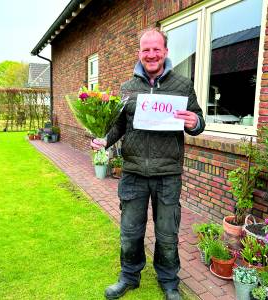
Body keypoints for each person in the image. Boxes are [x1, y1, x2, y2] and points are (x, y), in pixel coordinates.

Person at [91, 28, 205, 300]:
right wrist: (103, 140)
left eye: (156, 49)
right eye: (146, 50)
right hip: (133, 173)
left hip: (168, 174)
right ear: (139, 54)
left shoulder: (182, 85)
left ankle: (169, 283)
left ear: (165, 51)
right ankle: (129, 277)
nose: (151, 54)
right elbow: (119, 125)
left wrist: (195, 122)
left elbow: (198, 120)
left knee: (167, 234)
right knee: (130, 231)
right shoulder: (127, 88)